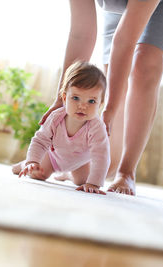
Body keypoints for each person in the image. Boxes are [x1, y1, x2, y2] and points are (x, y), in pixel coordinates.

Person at [39, 0, 163, 196]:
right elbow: (81, 34)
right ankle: (84, 167)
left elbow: (125, 40)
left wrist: (109, 109)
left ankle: (127, 172)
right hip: (117, 6)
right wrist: (61, 100)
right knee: (112, 76)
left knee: (144, 65)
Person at [12, 61, 110, 194]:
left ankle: (68, 175)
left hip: (79, 163)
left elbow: (101, 155)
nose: (82, 106)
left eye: (91, 101)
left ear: (100, 104)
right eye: (75, 98)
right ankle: (24, 165)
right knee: (38, 173)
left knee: (83, 182)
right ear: (64, 98)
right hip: (53, 157)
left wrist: (94, 183)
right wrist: (32, 161)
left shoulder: (97, 127)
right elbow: (40, 141)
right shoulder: (56, 117)